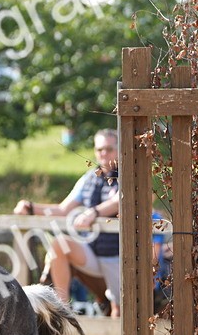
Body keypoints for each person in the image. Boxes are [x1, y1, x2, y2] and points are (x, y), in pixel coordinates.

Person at [13, 129, 121, 316]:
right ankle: (61, 312)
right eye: (99, 149)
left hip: (119, 256)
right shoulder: (89, 178)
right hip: (93, 252)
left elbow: (120, 200)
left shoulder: (128, 175)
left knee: (119, 313)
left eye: (109, 149)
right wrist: (30, 207)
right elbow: (63, 210)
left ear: (119, 149)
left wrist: (94, 213)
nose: (103, 153)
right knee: (59, 245)